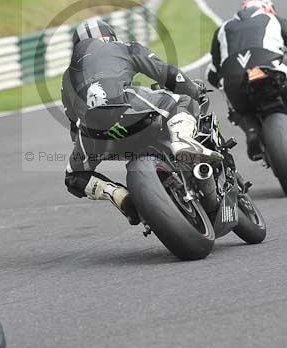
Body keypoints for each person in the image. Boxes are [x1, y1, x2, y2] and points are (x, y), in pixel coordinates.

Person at [61, 17, 221, 223]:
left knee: (74, 176)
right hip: (126, 108)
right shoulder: (123, 48)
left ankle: (118, 195)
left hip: (93, 131)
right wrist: (193, 91)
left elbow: (73, 123)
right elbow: (168, 74)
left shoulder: (67, 79)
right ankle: (182, 141)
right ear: (110, 36)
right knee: (182, 101)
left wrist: (92, 145)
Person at [207, 0, 287, 161]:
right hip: (271, 70)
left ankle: (251, 132)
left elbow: (212, 73)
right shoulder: (273, 19)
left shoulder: (222, 29)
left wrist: (226, 82)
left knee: (234, 104)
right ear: (269, 9)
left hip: (234, 82)